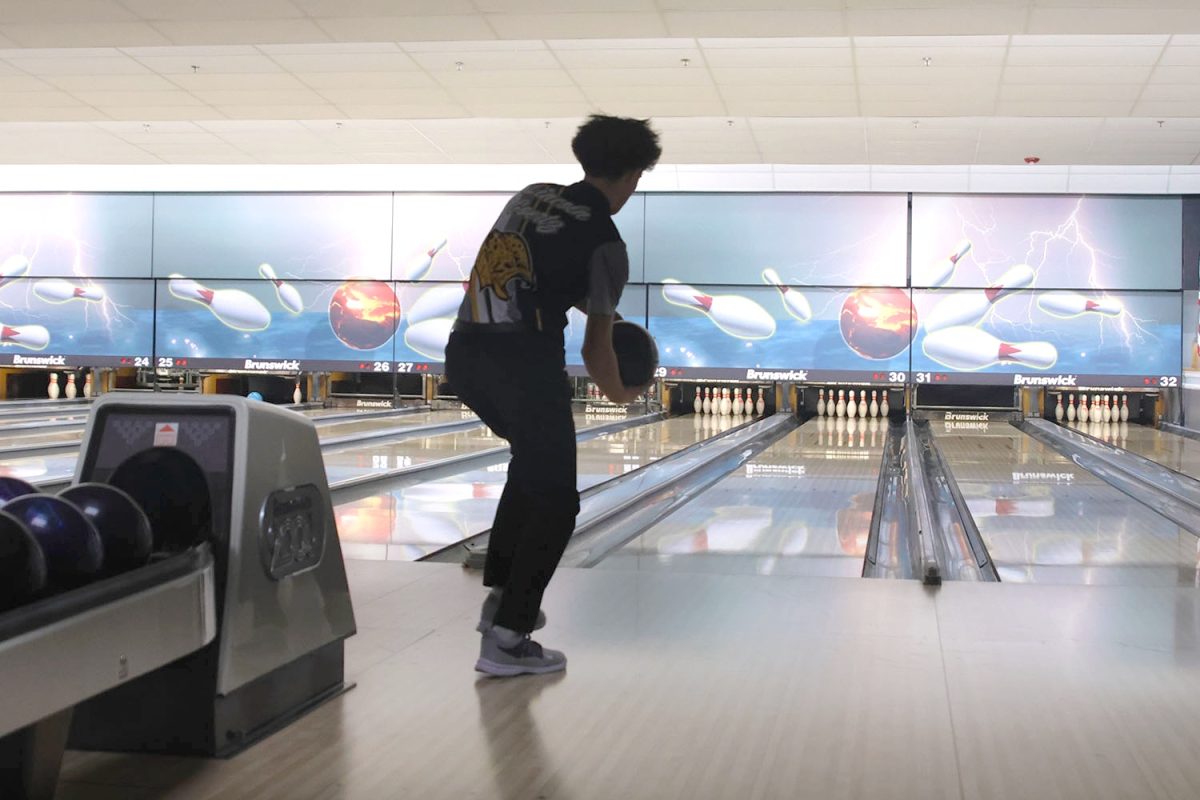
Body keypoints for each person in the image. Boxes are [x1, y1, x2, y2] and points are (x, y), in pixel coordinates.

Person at [445, 114, 661, 677]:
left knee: (533, 471)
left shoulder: (531, 194)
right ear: (636, 175)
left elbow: (541, 270)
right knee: (558, 501)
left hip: (464, 354)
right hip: (523, 364)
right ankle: (508, 639)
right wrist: (622, 394)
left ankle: (501, 599)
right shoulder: (608, 248)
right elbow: (596, 351)